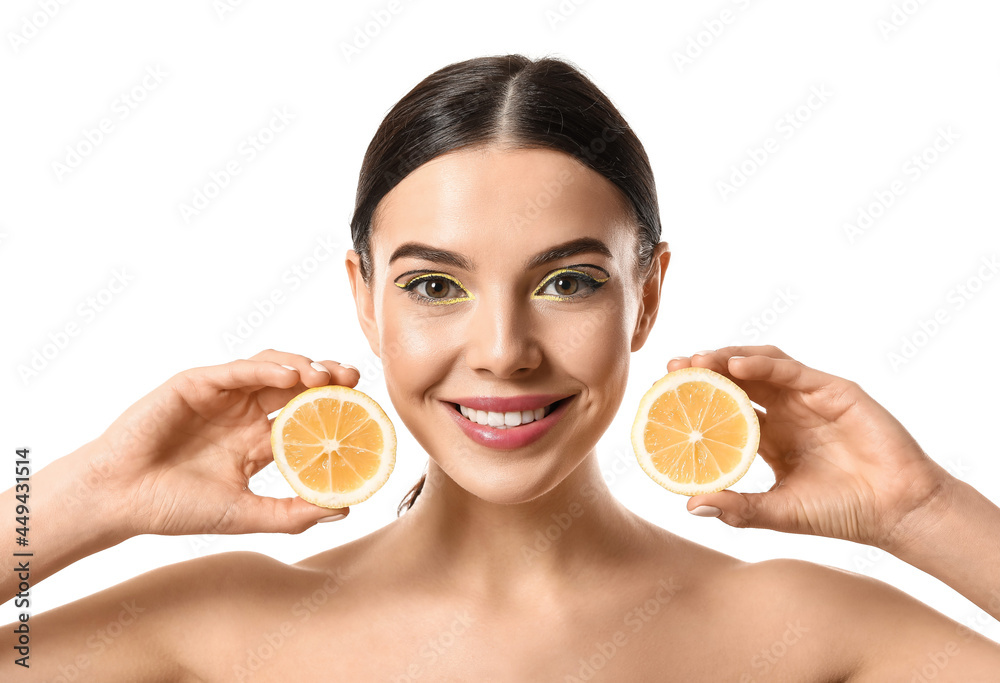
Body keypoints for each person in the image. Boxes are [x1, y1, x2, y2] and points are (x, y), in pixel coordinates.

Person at [4, 53, 1000, 681]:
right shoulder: (221, 630)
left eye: (567, 282)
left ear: (646, 293)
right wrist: (85, 496)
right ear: (364, 297)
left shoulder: (802, 632)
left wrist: (922, 511)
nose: (501, 350)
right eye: (436, 286)